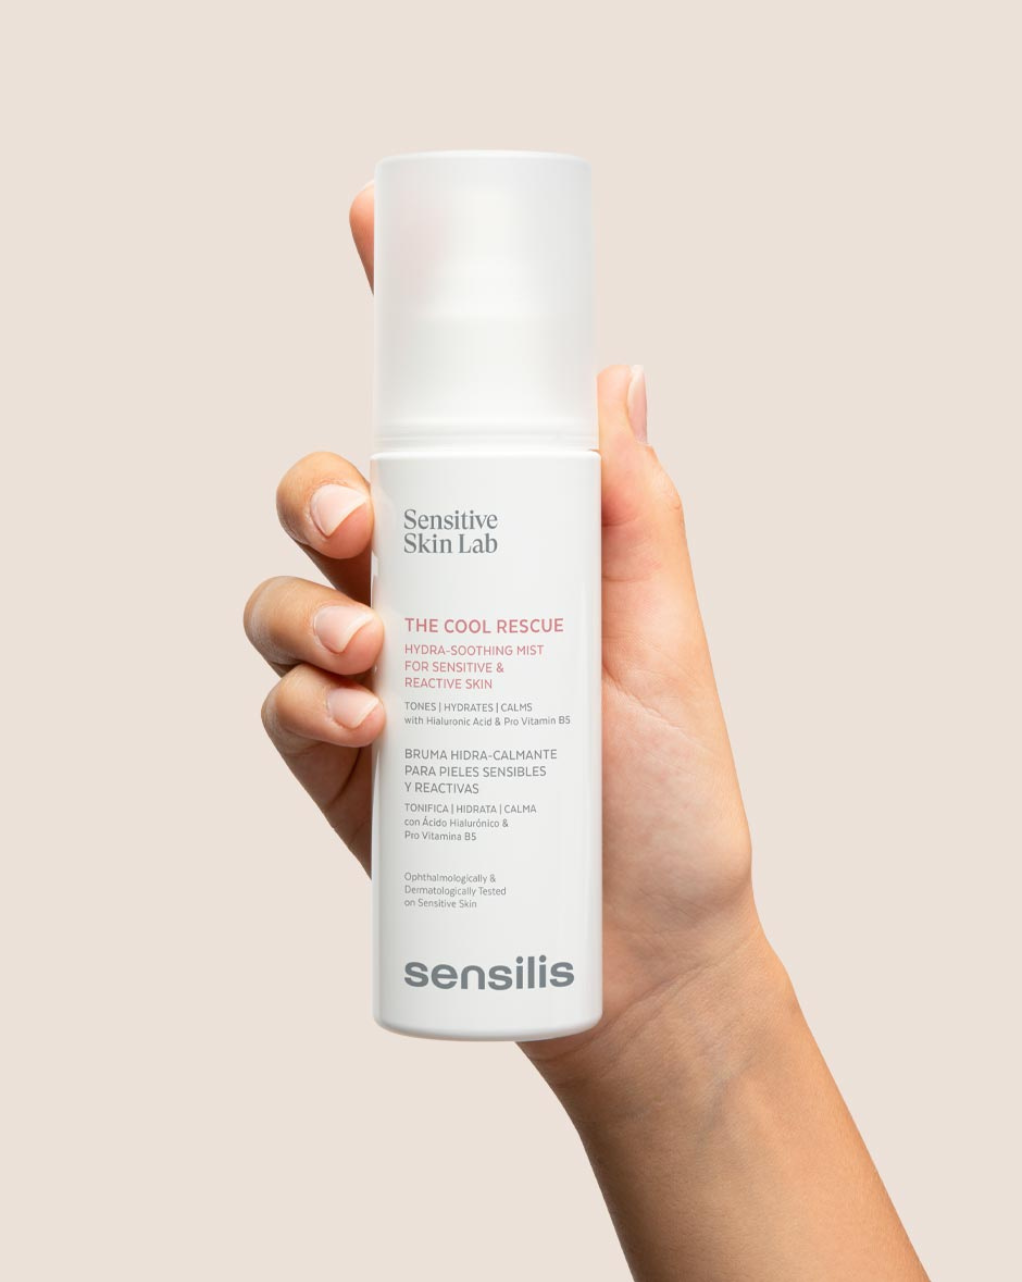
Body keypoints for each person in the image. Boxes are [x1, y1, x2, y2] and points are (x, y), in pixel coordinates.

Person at [243, 184, 929, 1281]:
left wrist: (686, 985)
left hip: (624, 963)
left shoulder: (552, 469)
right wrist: (669, 1022)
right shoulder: (421, 473)